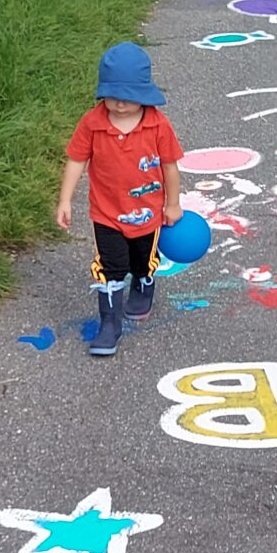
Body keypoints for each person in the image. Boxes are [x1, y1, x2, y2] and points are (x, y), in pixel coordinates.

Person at [56, 43, 185, 356]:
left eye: (128, 97)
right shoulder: (92, 123)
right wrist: (65, 200)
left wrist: (172, 203)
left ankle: (143, 283)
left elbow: (170, 165)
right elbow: (76, 160)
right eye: (112, 96)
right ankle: (109, 324)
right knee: (111, 267)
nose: (120, 103)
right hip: (107, 214)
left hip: (148, 214)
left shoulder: (158, 124)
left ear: (144, 93)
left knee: (141, 261)